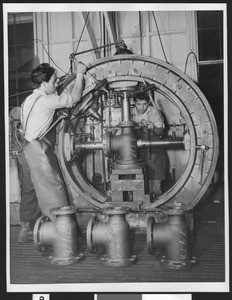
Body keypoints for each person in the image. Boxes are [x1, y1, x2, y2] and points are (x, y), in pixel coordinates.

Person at [18, 62, 87, 243]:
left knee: (29, 190)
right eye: (54, 81)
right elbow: (76, 98)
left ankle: (25, 231)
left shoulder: (29, 100)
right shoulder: (47, 101)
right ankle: (63, 233)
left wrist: (57, 90)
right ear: (44, 84)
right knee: (53, 188)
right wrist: (80, 74)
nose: (56, 83)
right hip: (36, 151)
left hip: (25, 150)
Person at [131, 92, 167, 199]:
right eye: (138, 104)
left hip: (154, 146)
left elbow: (160, 132)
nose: (141, 107)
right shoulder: (129, 113)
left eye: (144, 104)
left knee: (156, 173)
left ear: (149, 103)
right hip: (136, 148)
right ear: (134, 103)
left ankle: (156, 197)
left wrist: (152, 126)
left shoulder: (155, 112)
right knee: (137, 173)